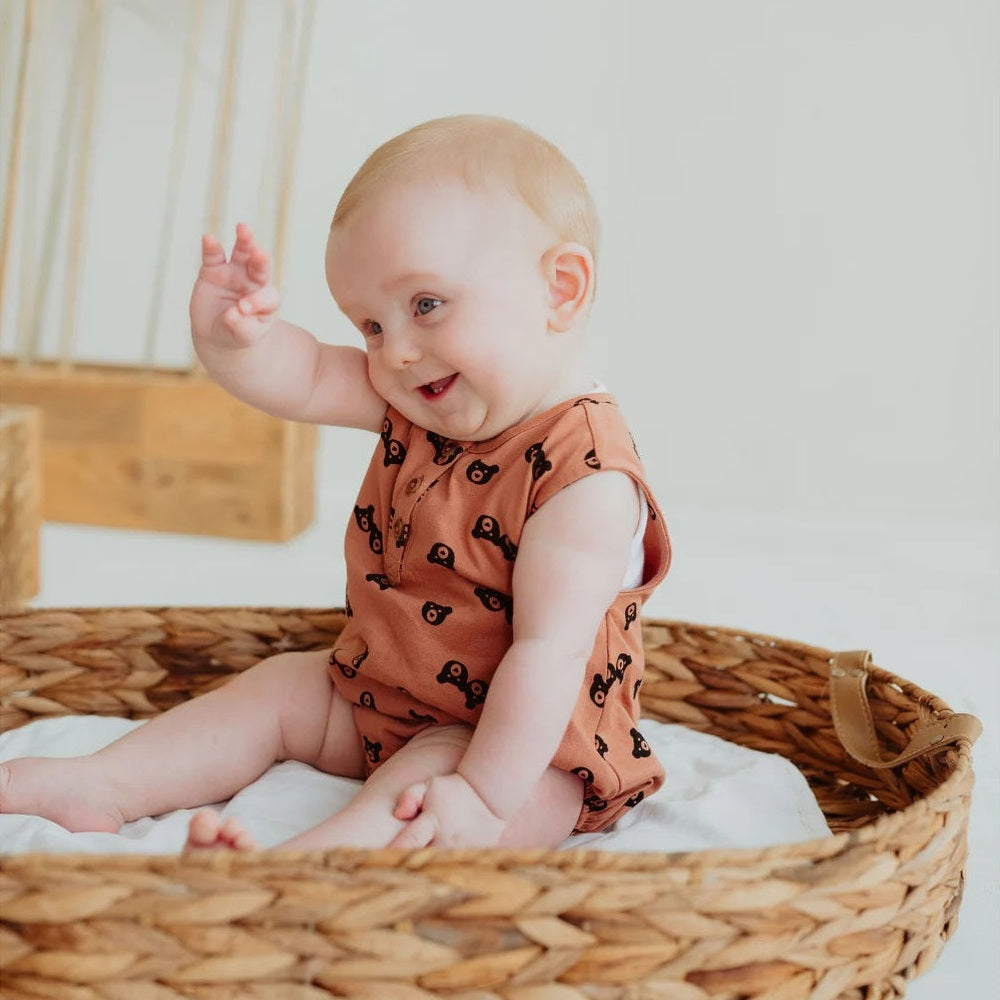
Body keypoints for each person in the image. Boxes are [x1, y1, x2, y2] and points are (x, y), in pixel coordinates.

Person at [0, 115, 671, 850]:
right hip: (379, 694)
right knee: (285, 685)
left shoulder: (587, 481)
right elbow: (309, 376)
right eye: (372, 327)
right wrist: (233, 340)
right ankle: (100, 785)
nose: (398, 354)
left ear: (561, 290)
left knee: (424, 795)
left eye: (425, 306)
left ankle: (293, 876)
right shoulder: (428, 400)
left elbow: (548, 656)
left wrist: (478, 795)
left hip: (518, 750)